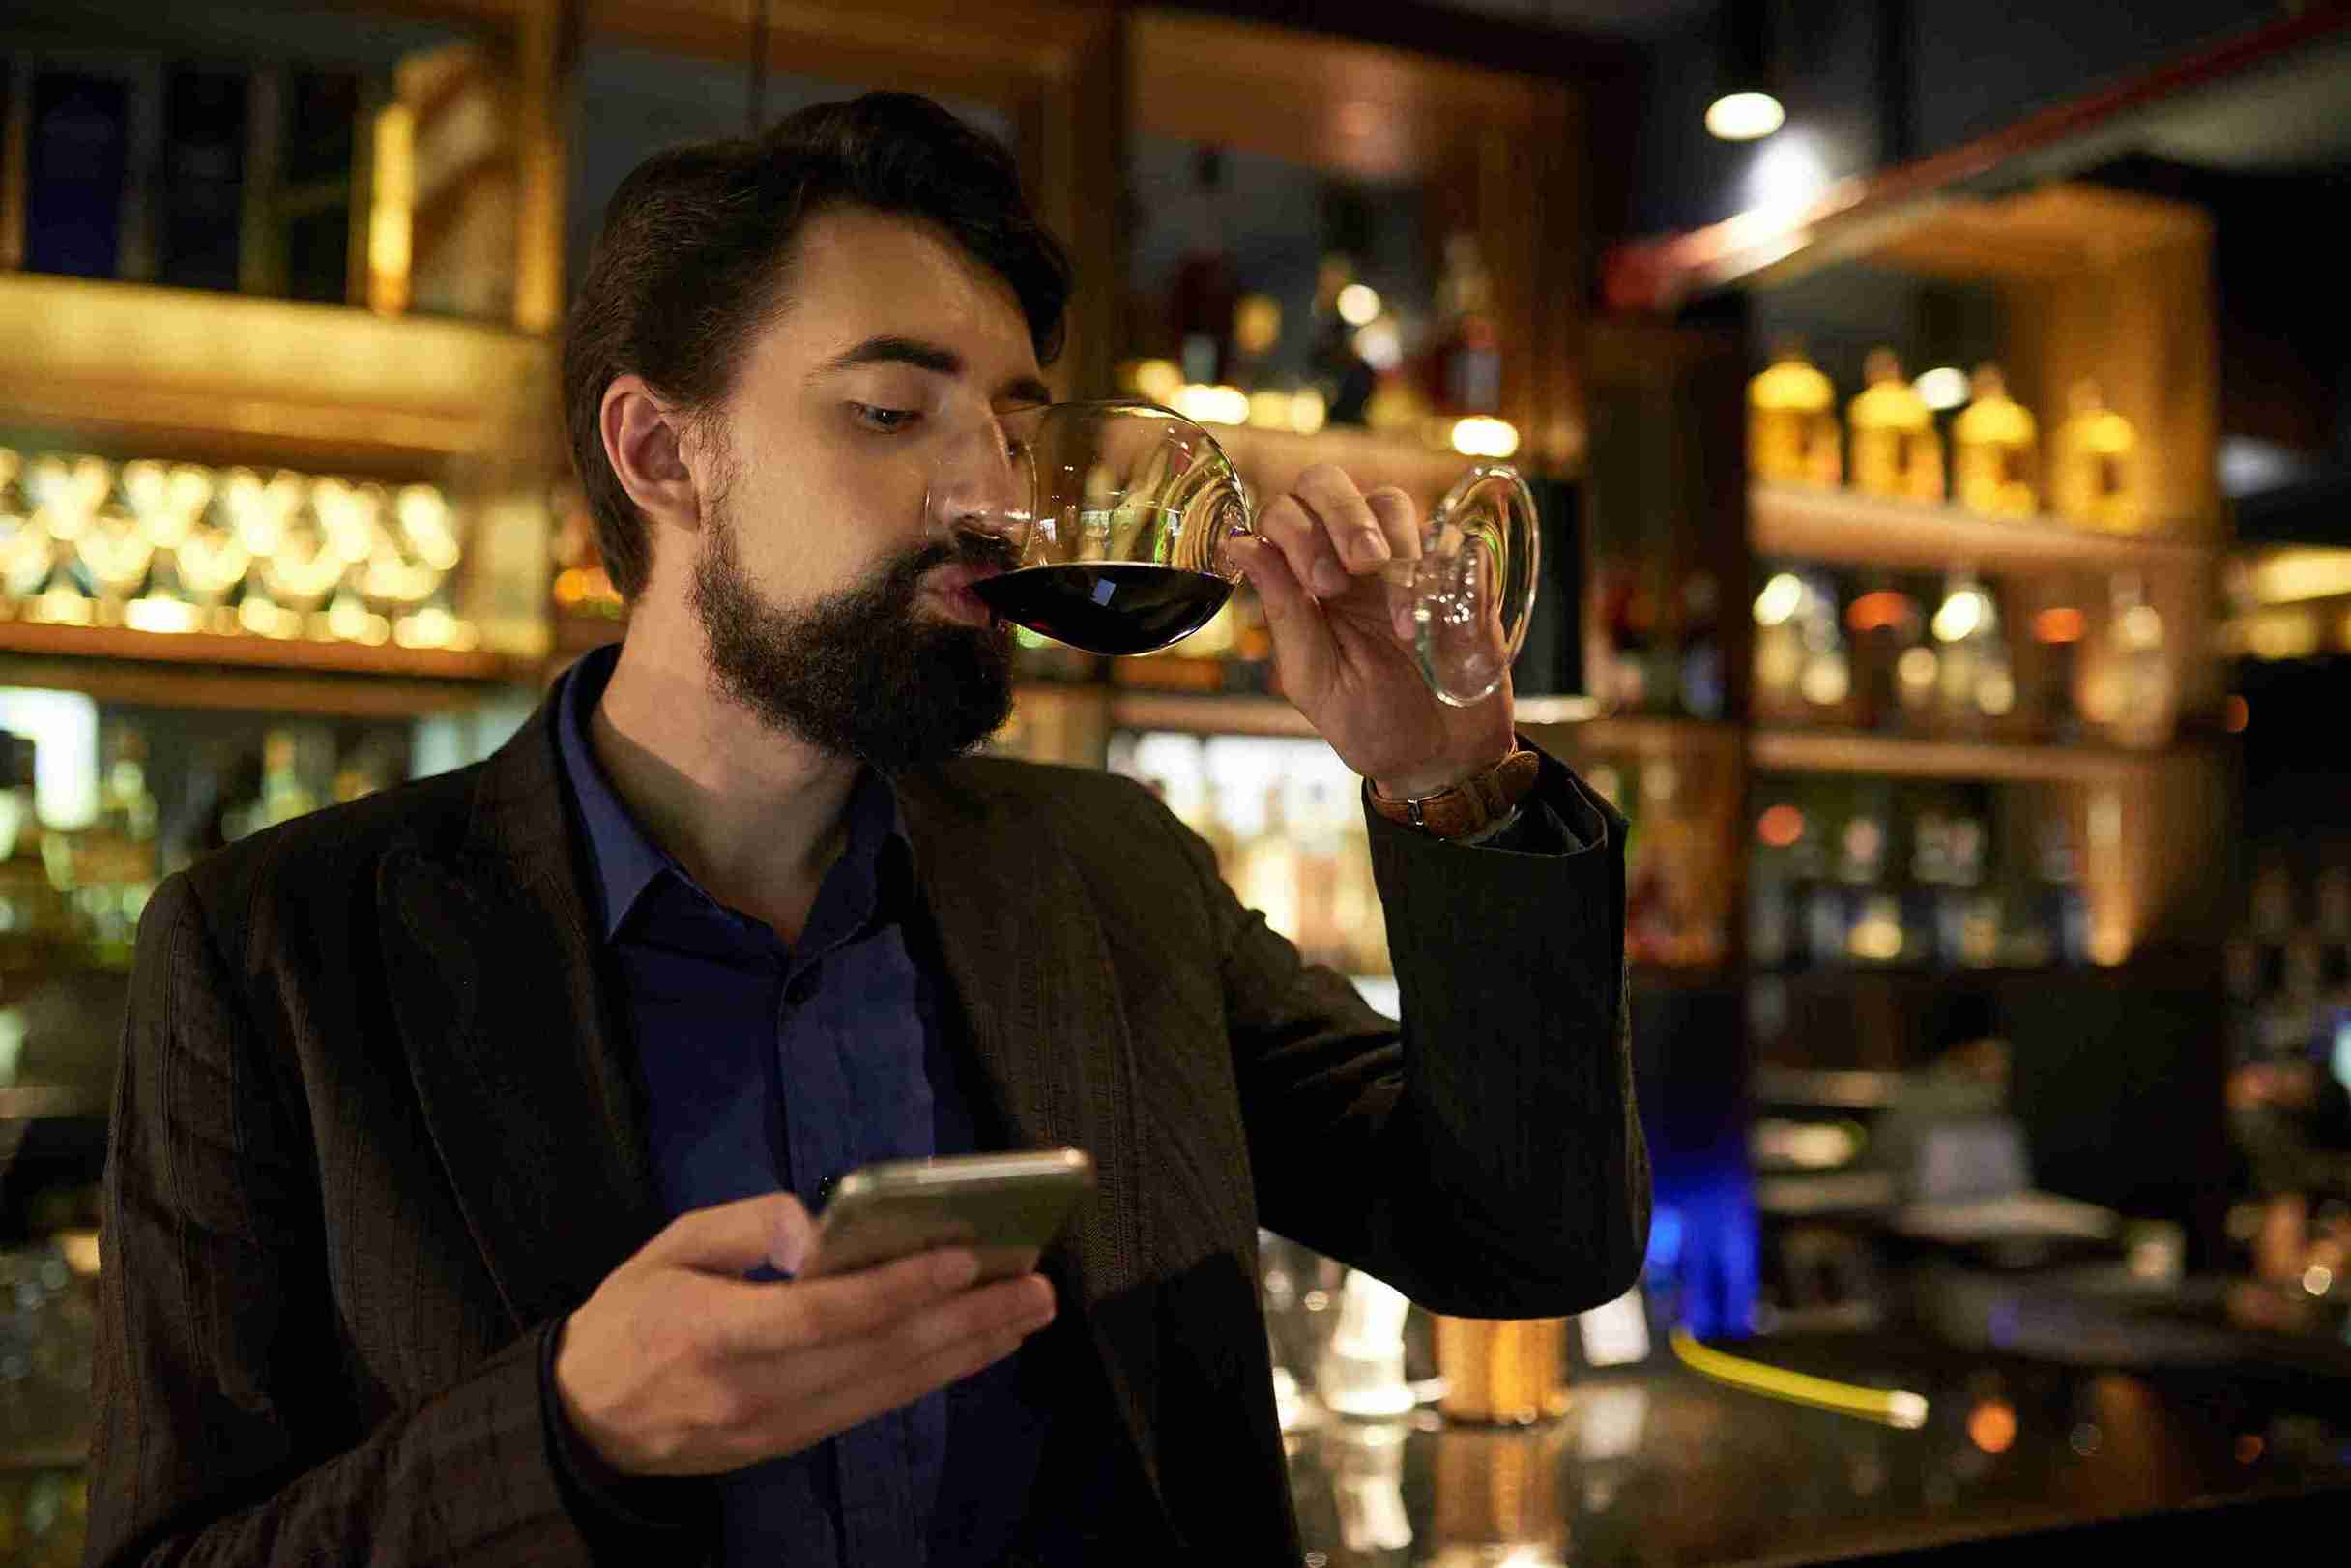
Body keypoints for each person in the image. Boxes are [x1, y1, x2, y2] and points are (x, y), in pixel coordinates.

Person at [85, 93, 1646, 1566]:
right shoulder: (276, 952)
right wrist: (563, 1429)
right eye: (893, 409)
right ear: (660, 452)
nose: (987, 490)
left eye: (1016, 427)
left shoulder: (1108, 873)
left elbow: (1530, 1243)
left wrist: (1448, 782)